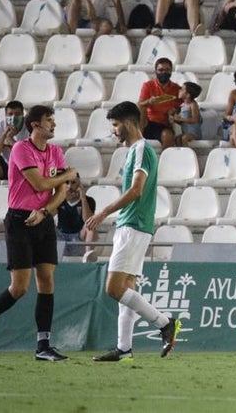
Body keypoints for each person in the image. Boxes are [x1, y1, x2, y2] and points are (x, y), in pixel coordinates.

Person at [0, 105, 78, 362]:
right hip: (19, 221)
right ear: (35, 125)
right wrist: (67, 176)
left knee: (47, 280)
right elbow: (39, 184)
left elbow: (61, 191)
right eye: (49, 120)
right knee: (19, 288)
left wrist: (45, 212)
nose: (54, 124)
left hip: (43, 219)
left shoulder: (56, 152)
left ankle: (43, 345)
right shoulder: (20, 149)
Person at [85, 101, 183, 362]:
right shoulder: (135, 151)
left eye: (116, 125)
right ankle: (124, 348)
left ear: (129, 123)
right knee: (127, 288)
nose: (114, 130)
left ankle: (164, 323)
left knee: (113, 288)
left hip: (133, 225)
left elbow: (136, 190)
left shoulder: (141, 149)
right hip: (135, 225)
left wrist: (104, 212)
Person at [139, 58, 181, 148]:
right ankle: (138, 142)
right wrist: (149, 101)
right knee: (142, 108)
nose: (164, 73)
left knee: (167, 135)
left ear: (171, 71)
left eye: (167, 70)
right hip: (148, 122)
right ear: (155, 71)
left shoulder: (177, 88)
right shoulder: (148, 85)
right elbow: (139, 104)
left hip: (164, 124)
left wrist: (174, 111)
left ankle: (164, 157)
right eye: (161, 70)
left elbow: (180, 107)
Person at [55, 175, 97, 259]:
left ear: (79, 184)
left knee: (90, 225)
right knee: (46, 223)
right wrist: (60, 196)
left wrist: (83, 198)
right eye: (67, 183)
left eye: (73, 183)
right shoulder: (59, 199)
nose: (70, 186)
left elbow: (87, 219)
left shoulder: (89, 200)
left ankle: (88, 256)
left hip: (79, 236)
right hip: (61, 235)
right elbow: (50, 214)